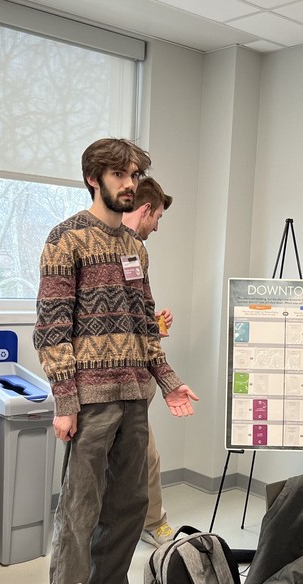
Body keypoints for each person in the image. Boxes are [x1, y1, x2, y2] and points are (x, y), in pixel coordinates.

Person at [34, 138, 198, 584]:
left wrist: (168, 381)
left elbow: (144, 323)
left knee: (129, 508)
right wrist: (65, 401)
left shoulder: (133, 247)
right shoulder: (66, 238)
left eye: (133, 176)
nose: (130, 185)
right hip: (90, 401)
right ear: (94, 179)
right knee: (80, 511)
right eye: (120, 176)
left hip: (134, 398)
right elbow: (51, 326)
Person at [122, 176, 176, 546]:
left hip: (139, 380)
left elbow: (133, 314)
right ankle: (136, 526)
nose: (157, 225)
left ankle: (152, 522)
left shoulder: (137, 252)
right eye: (156, 216)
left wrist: (155, 328)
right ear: (144, 210)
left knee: (148, 459)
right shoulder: (92, 244)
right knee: (134, 462)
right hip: (108, 385)